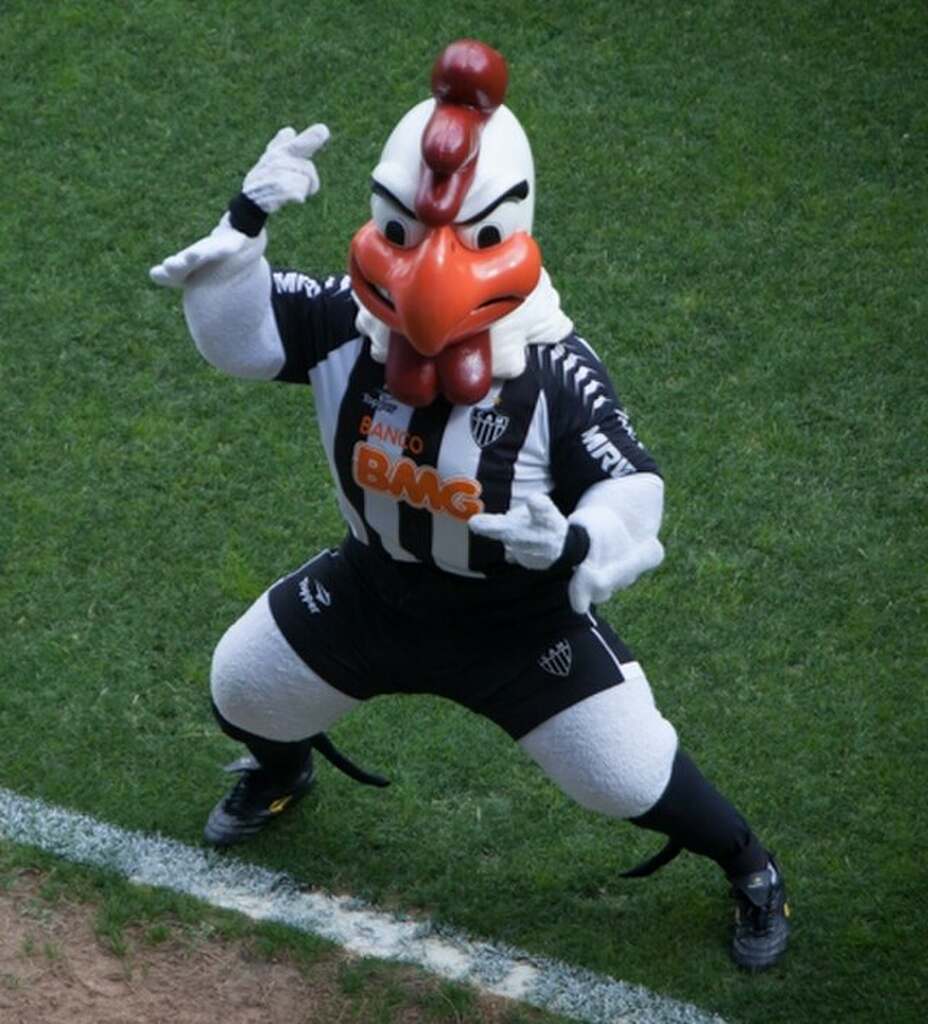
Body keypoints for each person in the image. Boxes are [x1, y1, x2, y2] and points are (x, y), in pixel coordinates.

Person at [150, 40, 789, 971]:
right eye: (405, 233)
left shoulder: (554, 371)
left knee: (627, 774)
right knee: (243, 684)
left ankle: (750, 864)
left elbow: (635, 490)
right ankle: (283, 774)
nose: (428, 274)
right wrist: (240, 235)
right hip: (377, 590)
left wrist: (574, 544)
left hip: (516, 623)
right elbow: (245, 342)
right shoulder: (349, 319)